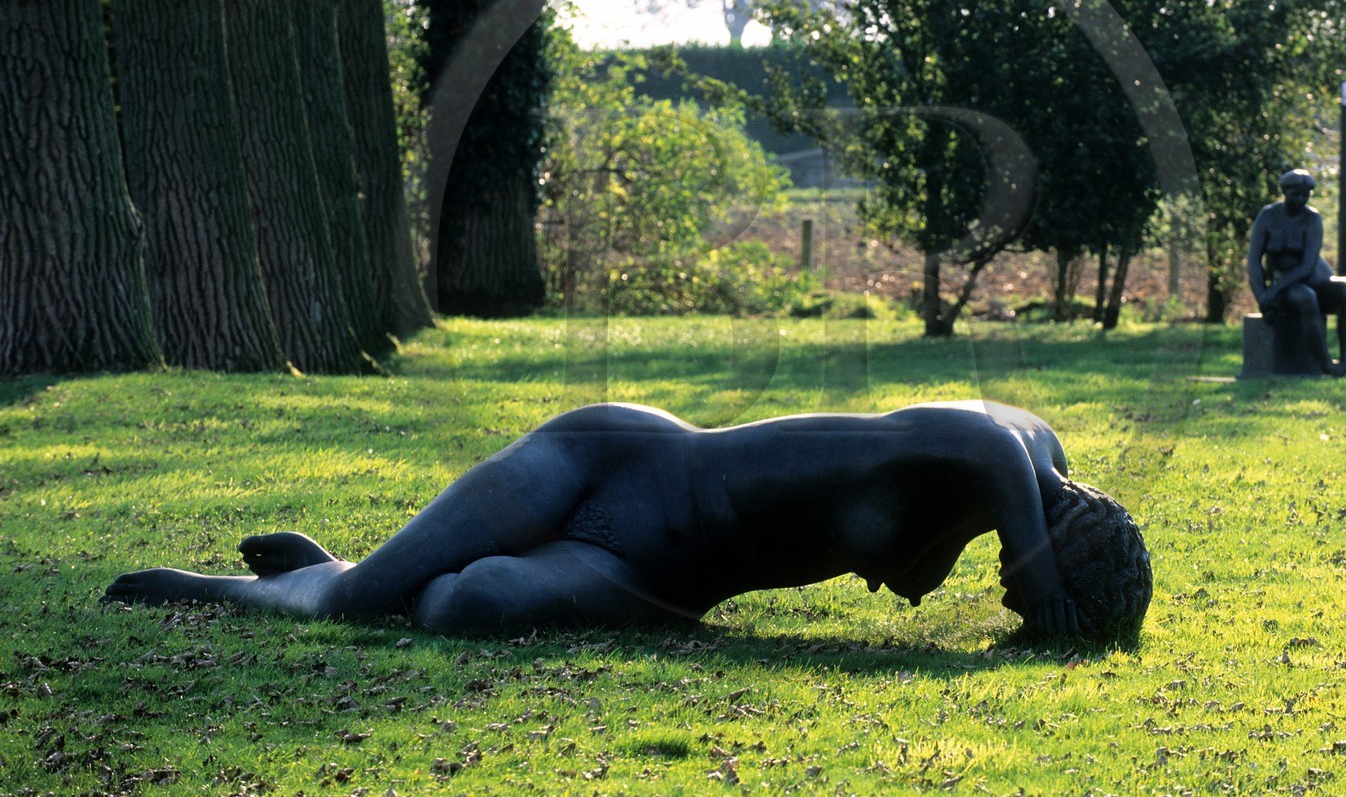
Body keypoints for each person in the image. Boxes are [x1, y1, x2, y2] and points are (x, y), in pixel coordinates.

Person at [104, 401, 1152, 643]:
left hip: (661, 576)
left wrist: (1057, 592)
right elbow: (988, 443)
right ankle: (256, 587)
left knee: (471, 604)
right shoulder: (997, 450)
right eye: (1029, 587)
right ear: (1053, 542)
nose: (1011, 597)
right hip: (621, 459)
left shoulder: (1034, 460)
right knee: (363, 605)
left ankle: (352, 565)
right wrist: (1056, 593)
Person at [1247, 169, 1346, 376]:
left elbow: (1307, 265)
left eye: (1305, 195)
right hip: (1289, 287)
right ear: (1285, 192)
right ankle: (1325, 363)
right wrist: (1263, 296)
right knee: (1306, 297)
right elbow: (1254, 262)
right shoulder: (1268, 216)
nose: (1301, 199)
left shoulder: (1312, 218)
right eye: (1295, 194)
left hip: (1316, 280)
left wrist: (1272, 291)